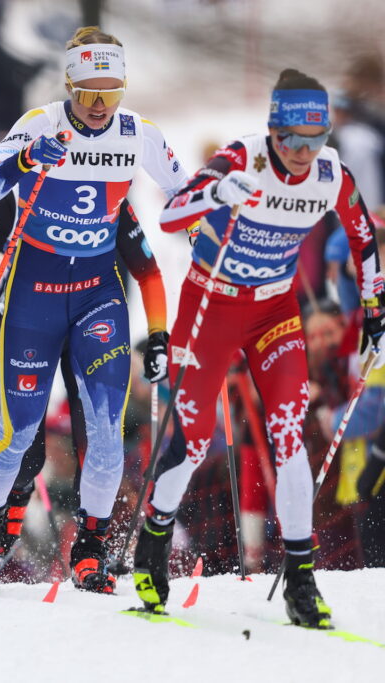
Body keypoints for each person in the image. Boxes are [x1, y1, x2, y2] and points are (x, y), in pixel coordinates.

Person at [140, 69, 385, 628]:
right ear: (272, 131)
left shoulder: (331, 176)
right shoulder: (239, 158)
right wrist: (213, 191)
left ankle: (301, 577)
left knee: (287, 431)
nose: (302, 152)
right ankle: (153, 544)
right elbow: (170, 215)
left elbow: (363, 236)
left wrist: (375, 310)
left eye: (315, 138)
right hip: (211, 306)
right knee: (195, 440)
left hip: (275, 311)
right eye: (291, 139)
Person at [0, 26, 185, 597]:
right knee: (19, 435)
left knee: (107, 438)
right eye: (86, 93)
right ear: (68, 84)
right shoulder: (39, 122)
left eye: (108, 92)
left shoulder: (139, 134)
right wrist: (29, 157)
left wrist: (223, 211)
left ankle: (91, 550)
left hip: (96, 296)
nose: (97, 105)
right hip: (34, 298)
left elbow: (187, 198)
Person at [0, 191, 171, 568]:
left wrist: (150, 333)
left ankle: (90, 549)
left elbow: (140, 269)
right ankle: (3, 520)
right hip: (22, 327)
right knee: (26, 450)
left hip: (86, 327)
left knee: (95, 441)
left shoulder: (109, 194)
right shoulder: (20, 196)